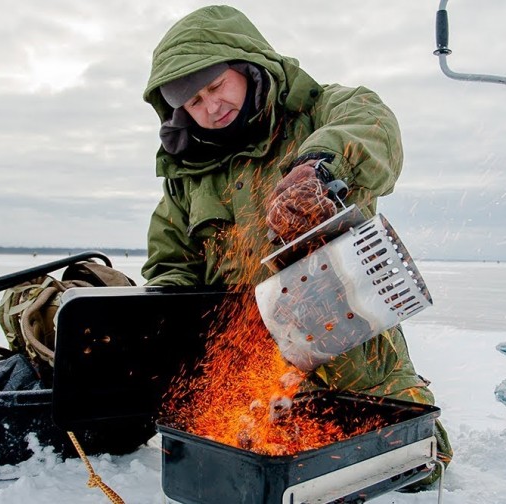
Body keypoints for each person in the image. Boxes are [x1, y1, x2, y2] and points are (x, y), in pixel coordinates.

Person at [140, 4, 452, 487]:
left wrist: (320, 171)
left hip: (351, 337)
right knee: (242, 466)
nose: (211, 107)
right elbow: (171, 262)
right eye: (195, 101)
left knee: (413, 467)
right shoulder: (188, 174)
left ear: (247, 67)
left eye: (217, 86)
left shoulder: (321, 109)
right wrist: (171, 323)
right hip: (248, 356)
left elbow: (373, 128)